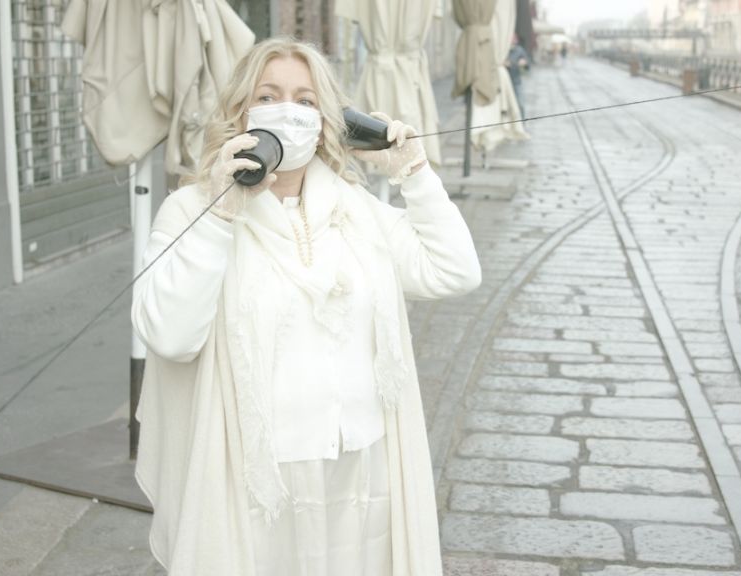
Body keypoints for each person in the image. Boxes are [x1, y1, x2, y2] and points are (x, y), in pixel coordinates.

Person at [131, 36, 481, 576]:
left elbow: (455, 269)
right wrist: (220, 214)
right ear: (241, 112)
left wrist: (414, 172)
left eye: (306, 100)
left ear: (327, 121)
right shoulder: (192, 210)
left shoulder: (356, 209)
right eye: (269, 95)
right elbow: (171, 335)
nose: (289, 111)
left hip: (362, 478)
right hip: (256, 487)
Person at [505, 34, 530, 119]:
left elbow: (527, 66)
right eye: (511, 38)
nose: (513, 40)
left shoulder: (519, 50)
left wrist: (524, 63)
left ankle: (522, 124)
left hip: (516, 82)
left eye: (514, 38)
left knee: (520, 104)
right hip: (505, 82)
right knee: (506, 106)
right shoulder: (503, 50)